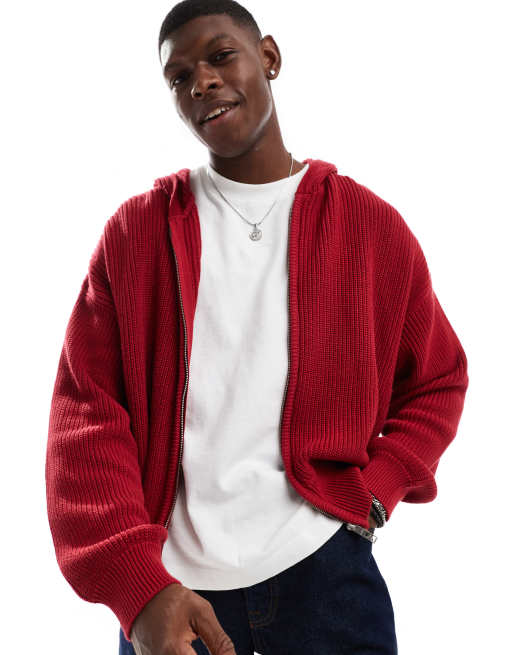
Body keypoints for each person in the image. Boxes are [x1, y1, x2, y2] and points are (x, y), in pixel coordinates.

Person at [45, 1, 469, 654]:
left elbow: (438, 380)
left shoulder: (367, 226)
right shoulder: (137, 234)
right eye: (179, 77)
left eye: (220, 56)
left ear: (268, 57)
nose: (202, 82)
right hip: (173, 594)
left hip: (324, 576)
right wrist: (138, 590)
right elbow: (86, 417)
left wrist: (378, 489)